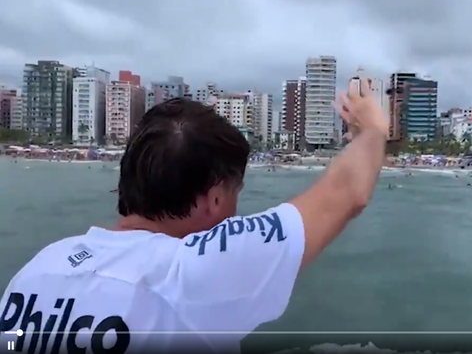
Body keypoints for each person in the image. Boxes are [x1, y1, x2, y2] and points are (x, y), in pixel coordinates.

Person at [0, 78, 388, 353]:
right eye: (236, 192)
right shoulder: (193, 272)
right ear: (216, 199)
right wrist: (371, 130)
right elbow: (347, 193)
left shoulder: (37, 271)